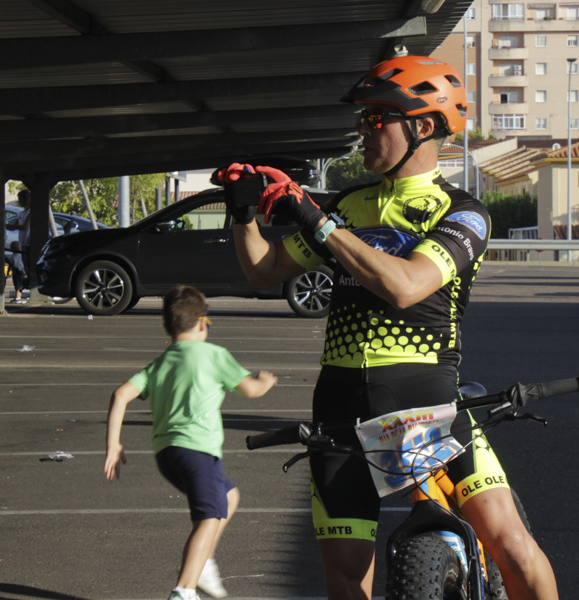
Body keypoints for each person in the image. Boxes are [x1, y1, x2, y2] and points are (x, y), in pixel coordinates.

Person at [223, 55, 558, 600]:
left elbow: (405, 285)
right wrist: (242, 215)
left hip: (424, 398)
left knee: (512, 547)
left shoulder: (462, 211)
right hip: (339, 404)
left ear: (422, 126)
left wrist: (315, 218)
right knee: (345, 575)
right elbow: (267, 269)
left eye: (377, 118)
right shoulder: (349, 205)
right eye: (363, 119)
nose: (363, 130)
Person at [104, 286, 278, 600]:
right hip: (199, 452)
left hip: (167, 455)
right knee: (209, 517)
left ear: (167, 328)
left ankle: (204, 562)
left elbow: (120, 395)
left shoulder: (161, 362)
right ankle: (184, 590)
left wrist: (114, 444)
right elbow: (251, 390)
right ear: (201, 323)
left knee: (229, 496)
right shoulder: (214, 355)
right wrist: (265, 381)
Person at [6, 189, 31, 254]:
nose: (19, 201)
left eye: (20, 199)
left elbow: (24, 227)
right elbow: (13, 227)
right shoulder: (21, 213)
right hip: (23, 242)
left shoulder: (30, 212)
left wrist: (8, 225)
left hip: (29, 242)